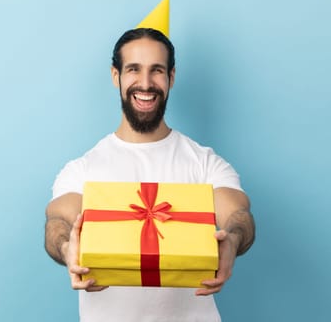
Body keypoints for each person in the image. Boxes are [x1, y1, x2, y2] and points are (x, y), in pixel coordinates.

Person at [44, 27, 255, 322]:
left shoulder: (206, 164)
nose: (145, 83)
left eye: (156, 71)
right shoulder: (82, 169)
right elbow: (59, 221)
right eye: (133, 69)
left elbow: (238, 215)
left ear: (171, 78)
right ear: (116, 76)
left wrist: (232, 240)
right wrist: (67, 248)